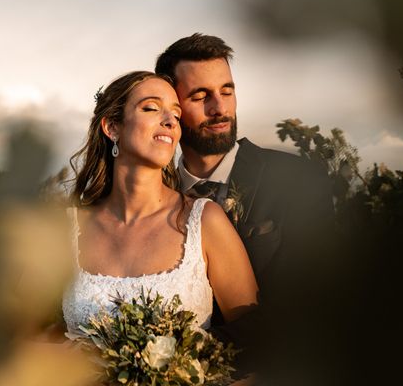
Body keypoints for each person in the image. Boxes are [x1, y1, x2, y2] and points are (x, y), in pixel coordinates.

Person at [154, 33, 335, 350]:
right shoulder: (152, 199)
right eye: (201, 96)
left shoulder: (299, 178)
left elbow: (306, 305)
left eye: (227, 91)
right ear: (173, 107)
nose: (220, 107)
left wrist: (165, 359)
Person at [62, 71, 258, 339]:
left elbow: (254, 338)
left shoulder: (204, 221)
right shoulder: (66, 228)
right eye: (152, 108)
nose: (170, 122)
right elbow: (18, 335)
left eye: (176, 116)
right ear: (112, 128)